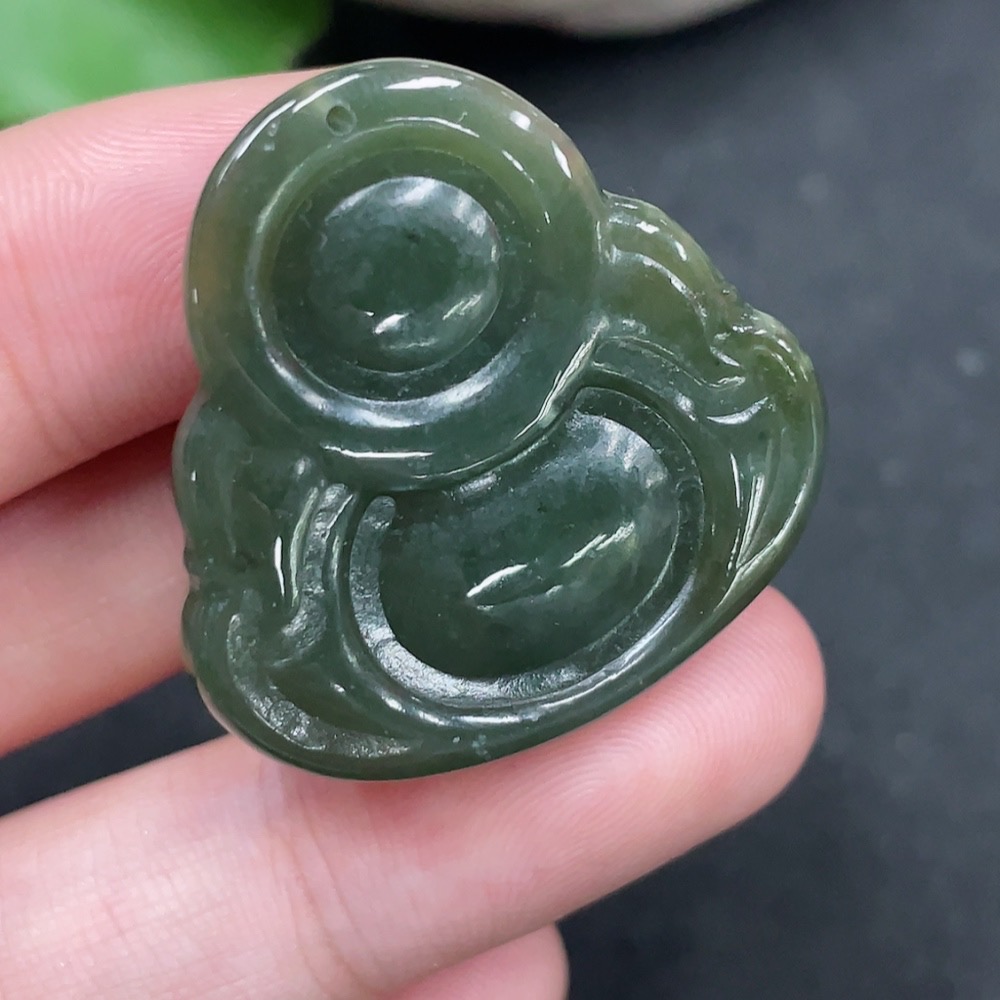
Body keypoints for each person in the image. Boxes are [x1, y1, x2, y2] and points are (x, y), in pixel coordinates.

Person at [0, 73, 825, 999]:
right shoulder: (250, 442)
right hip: (405, 611)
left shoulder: (628, 276)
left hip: (635, 498)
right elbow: (258, 591)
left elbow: (730, 367)